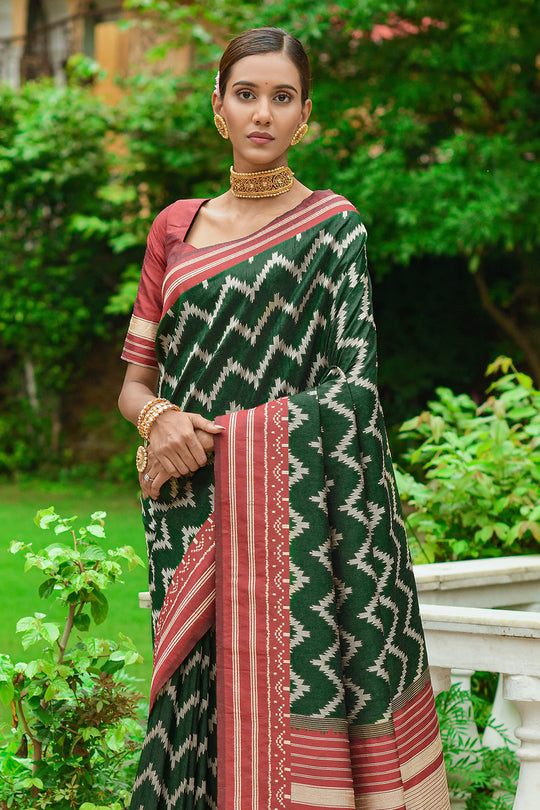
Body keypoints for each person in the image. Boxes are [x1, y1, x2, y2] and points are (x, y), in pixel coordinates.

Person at [118, 26, 450, 810]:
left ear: (306, 116)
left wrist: (221, 438)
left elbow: (355, 389)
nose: (262, 112)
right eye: (246, 94)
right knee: (192, 715)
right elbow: (135, 383)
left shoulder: (334, 227)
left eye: (282, 97)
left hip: (298, 522)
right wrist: (158, 417)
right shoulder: (175, 227)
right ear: (218, 108)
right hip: (188, 513)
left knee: (284, 696)